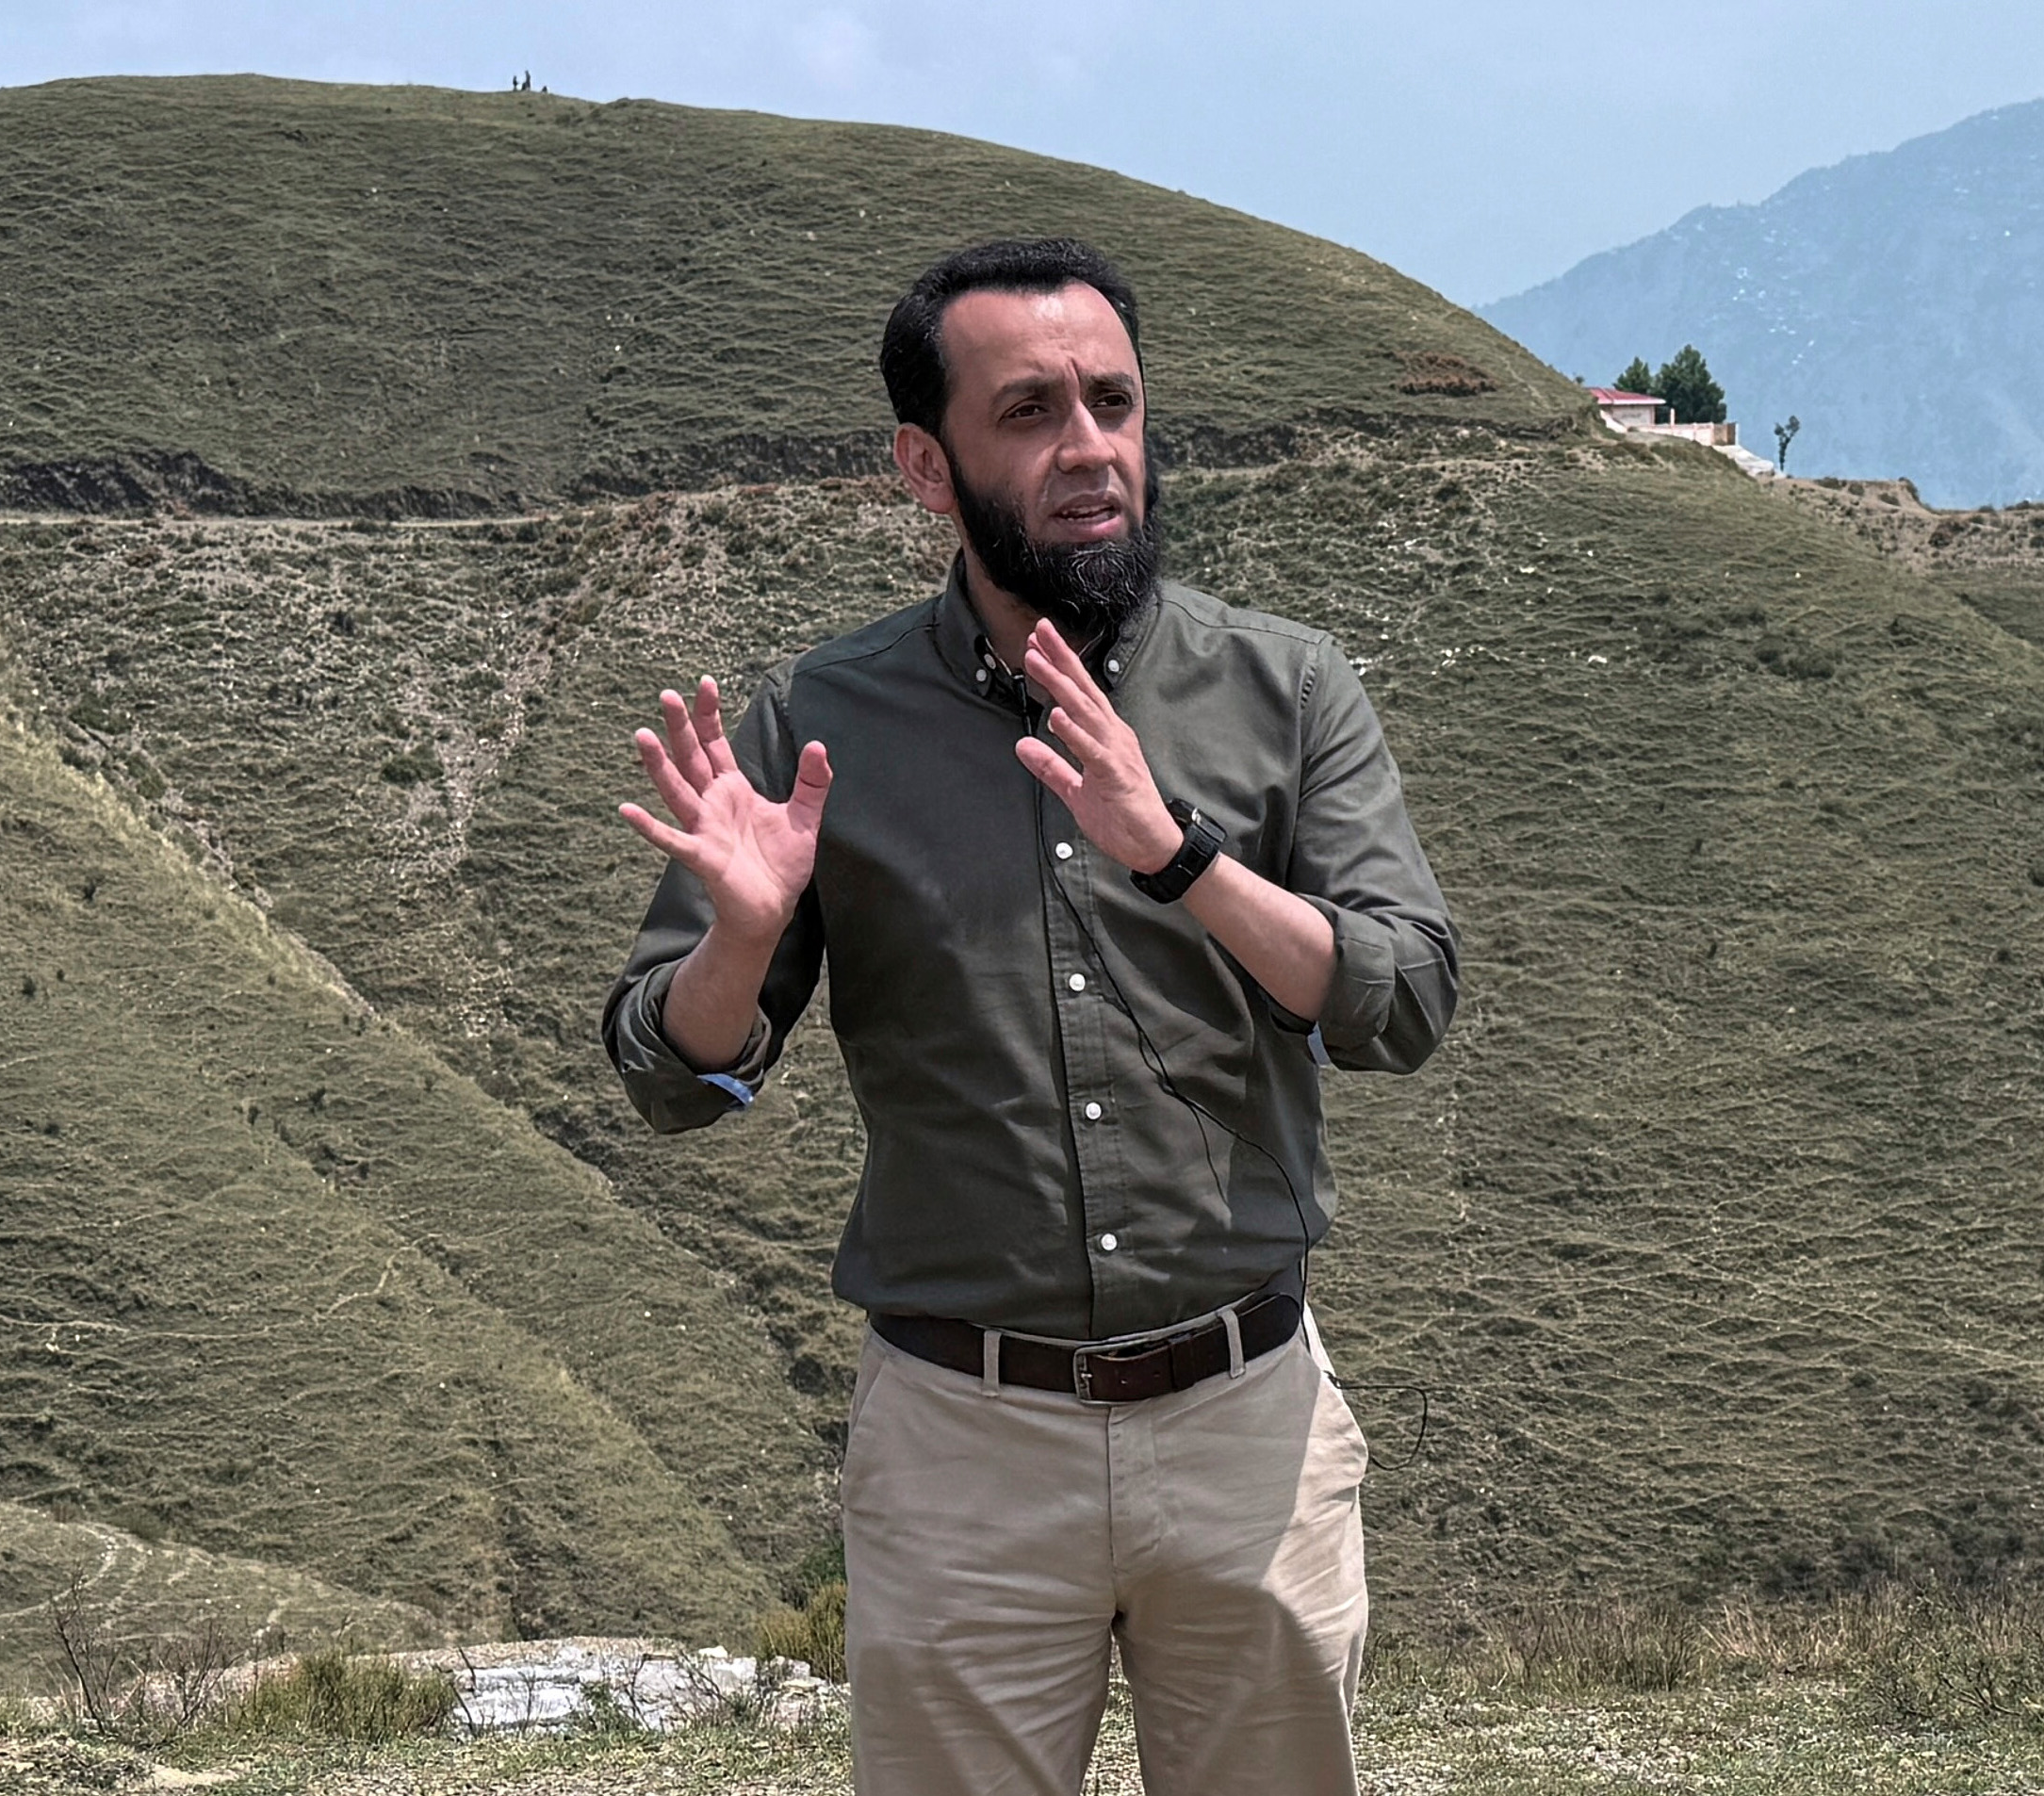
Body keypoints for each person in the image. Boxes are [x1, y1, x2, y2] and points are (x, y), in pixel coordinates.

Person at [602, 237, 1457, 1796]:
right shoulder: (820, 726)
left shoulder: (1287, 689)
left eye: (1114, 403)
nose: (1089, 450)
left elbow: (1400, 1001)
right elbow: (674, 1073)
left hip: (1243, 1422)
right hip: (961, 1447)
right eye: (1030, 412)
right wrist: (739, 935)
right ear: (926, 467)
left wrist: (1182, 858)